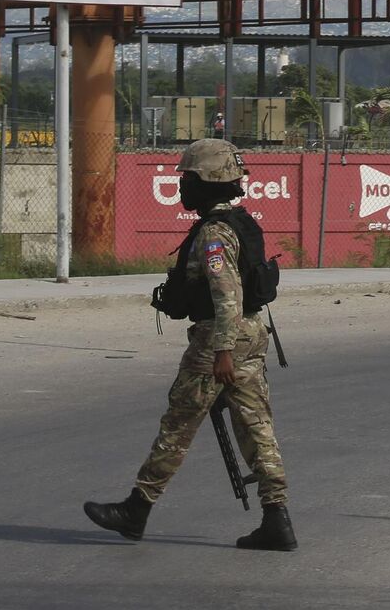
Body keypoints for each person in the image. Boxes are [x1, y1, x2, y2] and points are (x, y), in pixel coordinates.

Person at [83, 138, 295, 551]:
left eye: (188, 178)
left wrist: (222, 352)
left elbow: (226, 295)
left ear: (207, 182)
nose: (182, 186)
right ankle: (277, 519)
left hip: (220, 340)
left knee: (179, 424)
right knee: (257, 428)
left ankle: (136, 510)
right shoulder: (241, 223)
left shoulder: (214, 234)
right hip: (251, 335)